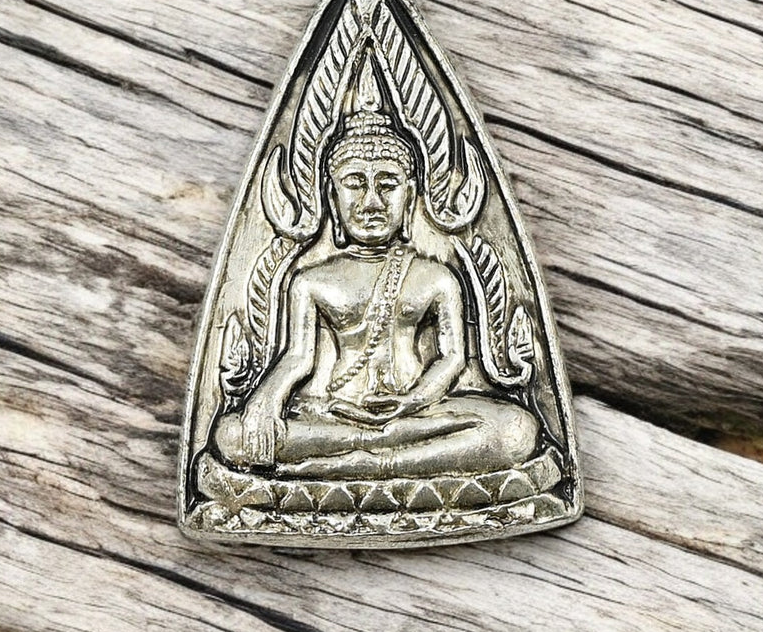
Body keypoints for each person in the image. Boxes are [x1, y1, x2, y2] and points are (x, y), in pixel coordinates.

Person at [213, 63, 539, 479]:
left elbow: (453, 358)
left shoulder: (436, 276)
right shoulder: (311, 280)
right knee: (232, 436)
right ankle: (376, 457)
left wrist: (413, 401)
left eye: (387, 184)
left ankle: (362, 464)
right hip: (334, 413)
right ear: (331, 197)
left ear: (411, 196)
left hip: (417, 414)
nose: (371, 202)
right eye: (354, 183)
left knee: (516, 430)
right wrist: (265, 399)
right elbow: (297, 358)